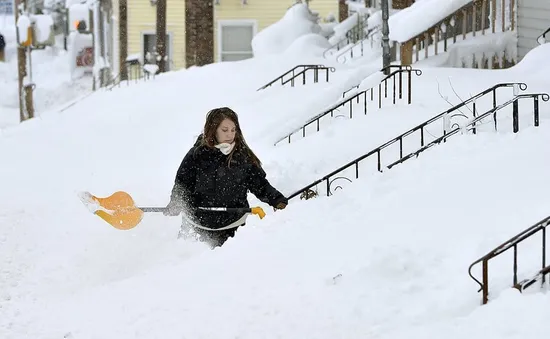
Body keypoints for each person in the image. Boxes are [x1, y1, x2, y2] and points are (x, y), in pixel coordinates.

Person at [164, 107, 288, 248]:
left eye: (233, 130)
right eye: (225, 130)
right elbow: (182, 184)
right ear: (213, 130)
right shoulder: (196, 155)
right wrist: (176, 202)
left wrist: (277, 200)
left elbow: (259, 184)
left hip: (234, 229)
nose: (230, 134)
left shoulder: (243, 157)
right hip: (196, 227)